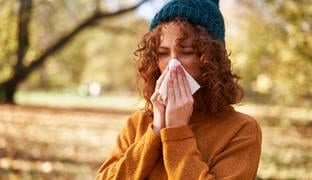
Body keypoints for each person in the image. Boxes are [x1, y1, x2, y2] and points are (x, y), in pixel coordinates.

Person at [96, 0, 262, 179]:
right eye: (162, 53)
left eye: (187, 52)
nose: (173, 64)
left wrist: (177, 132)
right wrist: (156, 131)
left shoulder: (241, 130)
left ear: (212, 60)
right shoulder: (138, 124)